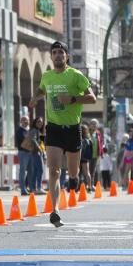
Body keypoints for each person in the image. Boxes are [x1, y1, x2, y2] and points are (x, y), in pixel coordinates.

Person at [28, 41, 96, 228]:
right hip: (54, 128)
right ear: (51, 56)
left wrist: (73, 99)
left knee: (73, 171)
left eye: (61, 52)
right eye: (55, 52)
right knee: (54, 170)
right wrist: (35, 97)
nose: (58, 55)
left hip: (73, 128)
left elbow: (92, 97)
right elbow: (42, 88)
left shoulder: (75, 76)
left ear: (67, 56)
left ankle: (74, 180)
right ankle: (55, 210)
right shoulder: (47, 76)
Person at [15, 115, 33, 195]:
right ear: (21, 121)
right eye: (24, 120)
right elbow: (23, 140)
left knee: (31, 171)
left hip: (30, 153)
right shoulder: (20, 131)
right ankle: (23, 189)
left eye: (27, 120)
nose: (26, 121)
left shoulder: (30, 130)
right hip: (23, 153)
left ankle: (31, 188)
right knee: (23, 172)